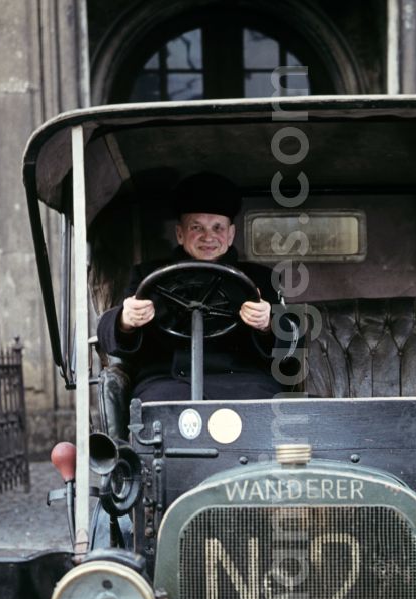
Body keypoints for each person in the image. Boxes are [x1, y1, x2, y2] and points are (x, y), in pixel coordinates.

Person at [95, 172, 286, 432]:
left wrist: (268, 324)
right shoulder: (147, 276)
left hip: (245, 382)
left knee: (270, 413)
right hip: (166, 383)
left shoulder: (262, 279)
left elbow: (290, 344)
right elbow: (108, 333)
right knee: (153, 417)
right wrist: (125, 320)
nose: (209, 237)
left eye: (217, 227)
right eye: (197, 227)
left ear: (230, 235)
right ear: (180, 234)